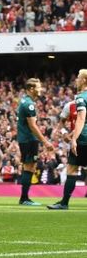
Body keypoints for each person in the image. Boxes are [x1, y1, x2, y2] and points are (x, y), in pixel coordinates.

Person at [48, 69, 87, 209]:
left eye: (78, 77)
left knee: (71, 169)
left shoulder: (81, 97)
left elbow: (81, 118)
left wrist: (74, 138)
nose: (76, 80)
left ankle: (64, 203)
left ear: (83, 80)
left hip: (84, 139)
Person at [16, 78, 55, 206]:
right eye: (38, 87)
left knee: (29, 166)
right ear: (31, 89)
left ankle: (24, 197)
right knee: (30, 166)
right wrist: (45, 142)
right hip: (29, 140)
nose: (40, 89)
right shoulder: (29, 104)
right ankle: (24, 198)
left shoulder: (25, 101)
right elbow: (33, 126)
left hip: (25, 139)